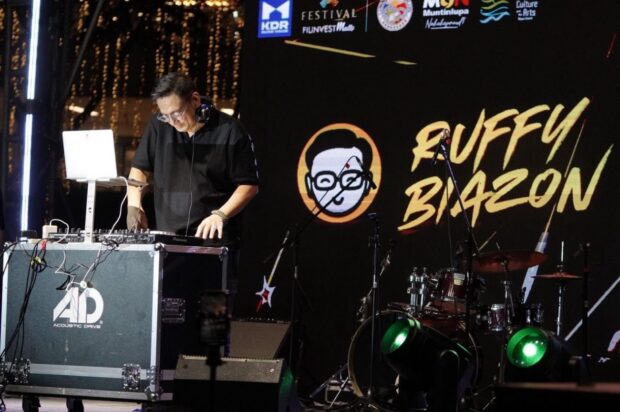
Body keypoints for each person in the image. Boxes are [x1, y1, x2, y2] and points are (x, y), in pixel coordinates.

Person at [126, 72, 259, 309]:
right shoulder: (159, 126)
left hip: (214, 247)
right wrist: (134, 205)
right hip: (168, 246)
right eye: (165, 115)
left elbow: (249, 185)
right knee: (167, 319)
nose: (172, 121)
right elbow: (139, 170)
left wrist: (220, 214)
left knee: (211, 323)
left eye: (176, 113)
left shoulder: (230, 131)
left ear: (195, 100)